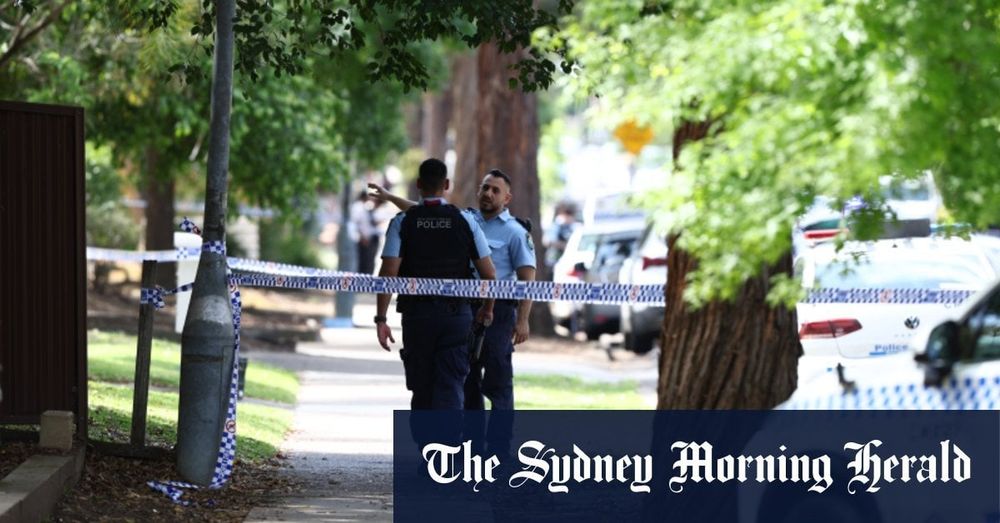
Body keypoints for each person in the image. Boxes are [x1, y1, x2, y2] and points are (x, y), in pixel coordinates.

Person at [369, 168, 536, 456]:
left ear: (507, 198)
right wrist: (389, 197)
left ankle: (498, 450)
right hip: (467, 312)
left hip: (499, 314)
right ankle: (470, 449)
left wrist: (522, 319)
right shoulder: (465, 219)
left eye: (495, 190)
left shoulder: (515, 232)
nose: (488, 193)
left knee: (497, 385)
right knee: (464, 382)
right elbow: (421, 212)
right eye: (485, 187)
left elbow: (528, 279)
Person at [375, 158, 496, 414]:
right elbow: (489, 275)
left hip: (417, 317)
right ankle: (446, 448)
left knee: (422, 385)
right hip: (457, 317)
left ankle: (427, 447)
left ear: (418, 184)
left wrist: (381, 318)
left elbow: (388, 273)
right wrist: (487, 310)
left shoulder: (403, 222)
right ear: (447, 185)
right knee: (451, 384)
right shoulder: (466, 221)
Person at [349, 191, 380, 274]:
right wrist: (362, 237)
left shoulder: (363, 207)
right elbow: (356, 224)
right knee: (364, 263)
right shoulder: (358, 207)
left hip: (367, 238)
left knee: (367, 263)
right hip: (364, 239)